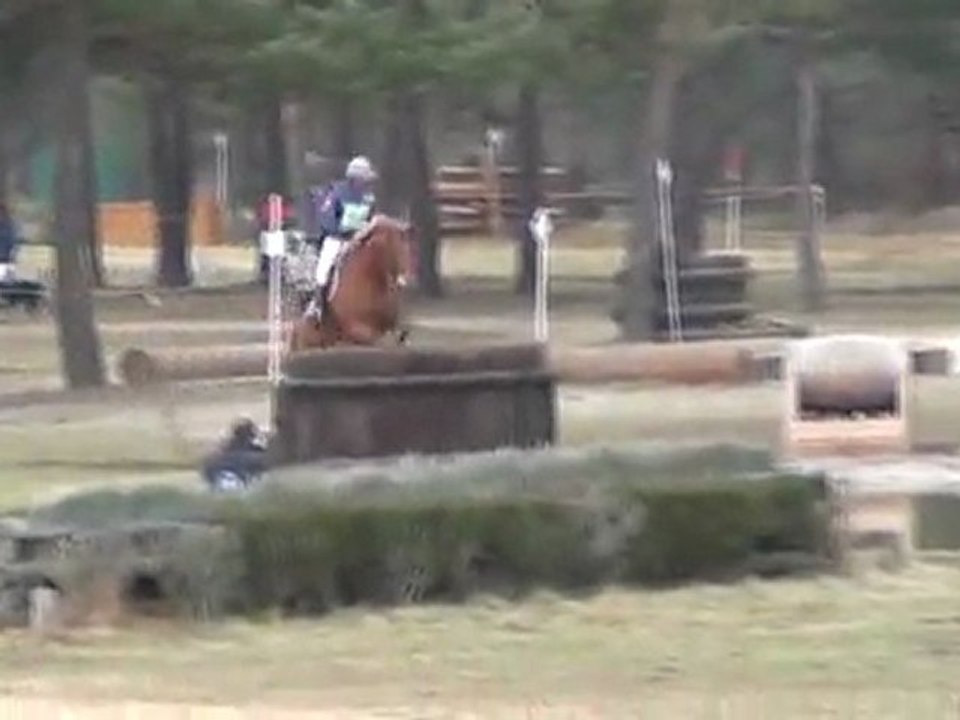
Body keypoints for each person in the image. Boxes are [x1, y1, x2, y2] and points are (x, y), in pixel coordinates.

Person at [305, 155, 378, 321]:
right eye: (363, 180)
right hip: (337, 239)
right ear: (354, 178)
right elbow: (327, 217)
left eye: (366, 180)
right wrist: (341, 233)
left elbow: (371, 219)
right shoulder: (336, 193)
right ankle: (317, 304)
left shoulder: (369, 197)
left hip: (361, 240)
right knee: (324, 266)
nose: (365, 183)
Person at [0, 203, 21, 283]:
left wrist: (11, 259)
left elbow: (13, 244)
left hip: (5, 260)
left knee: (5, 282)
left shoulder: (9, 227)